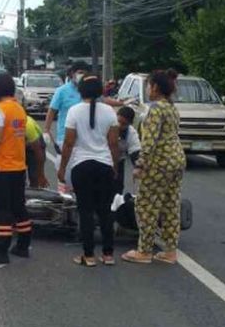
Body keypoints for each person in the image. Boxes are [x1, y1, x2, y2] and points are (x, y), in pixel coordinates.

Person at [0, 74, 44, 264]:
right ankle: (23, 245)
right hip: (18, 166)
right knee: (18, 206)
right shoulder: (18, 109)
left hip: (2, 167)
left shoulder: (0, 110)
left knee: (2, 210)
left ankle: (2, 250)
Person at [122, 69, 186, 265]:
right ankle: (170, 250)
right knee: (170, 205)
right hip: (176, 159)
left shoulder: (155, 109)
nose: (148, 89)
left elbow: (149, 141)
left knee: (146, 206)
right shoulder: (172, 108)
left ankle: (144, 250)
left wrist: (140, 165)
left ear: (156, 87)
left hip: (159, 163)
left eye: (149, 85)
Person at [57, 75, 120, 267]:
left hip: (81, 166)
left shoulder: (74, 111)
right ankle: (108, 254)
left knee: (85, 211)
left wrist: (62, 168)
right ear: (100, 91)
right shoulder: (109, 111)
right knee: (105, 211)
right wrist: (114, 166)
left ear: (80, 91)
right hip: (104, 165)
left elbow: (68, 143)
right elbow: (113, 143)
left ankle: (89, 255)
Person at [44, 62, 86, 155]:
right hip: (65, 136)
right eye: (80, 72)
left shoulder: (88, 91)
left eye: (84, 73)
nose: (82, 75)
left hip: (84, 138)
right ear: (72, 73)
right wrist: (46, 130)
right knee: (64, 166)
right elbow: (52, 111)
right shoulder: (62, 91)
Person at [115, 106, 141, 195]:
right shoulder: (107, 125)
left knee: (118, 187)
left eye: (123, 124)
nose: (119, 125)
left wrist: (138, 167)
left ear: (130, 124)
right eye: (118, 121)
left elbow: (135, 152)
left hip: (119, 161)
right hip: (102, 159)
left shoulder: (131, 133)